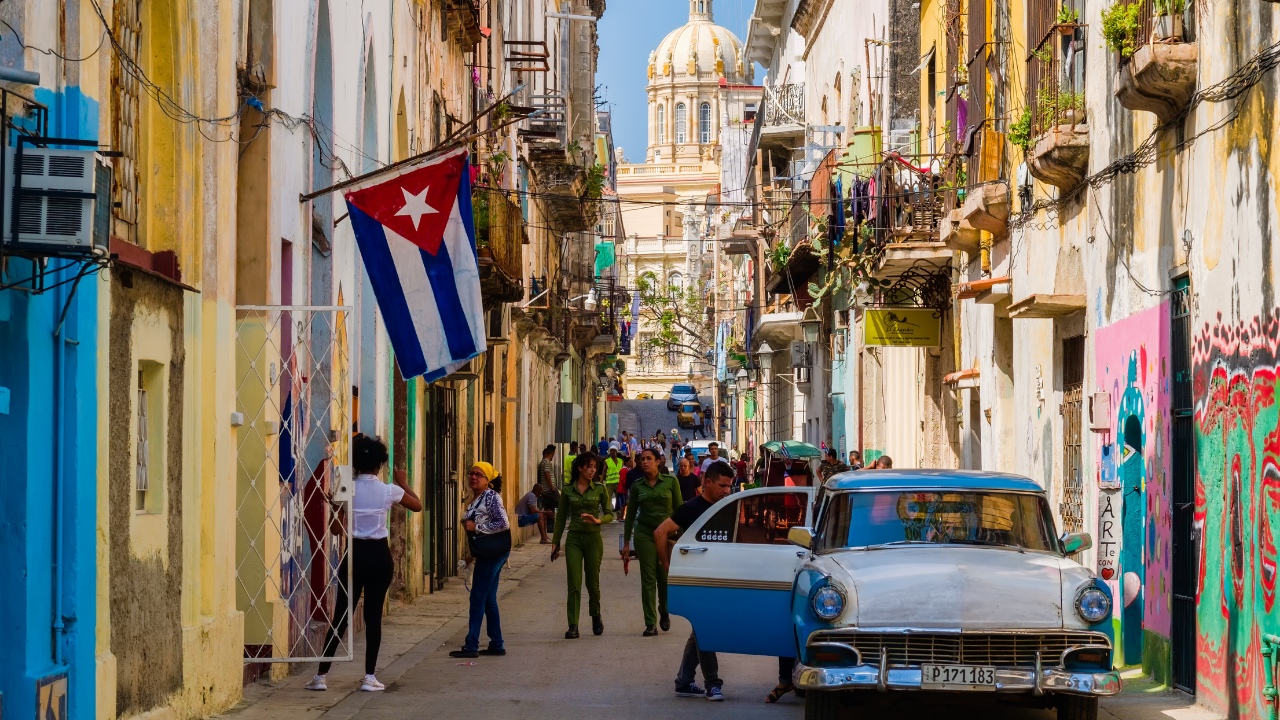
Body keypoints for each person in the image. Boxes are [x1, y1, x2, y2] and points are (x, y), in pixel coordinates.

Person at [308, 434, 423, 692]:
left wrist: (336, 507)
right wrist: (403, 483)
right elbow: (417, 505)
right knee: (373, 616)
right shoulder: (389, 490)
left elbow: (336, 530)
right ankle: (370, 676)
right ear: (380, 464)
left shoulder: (346, 488)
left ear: (356, 464)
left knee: (340, 616)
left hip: (355, 555)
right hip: (380, 556)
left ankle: (321, 676)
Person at [655, 461, 735, 701]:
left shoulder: (729, 507)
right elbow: (660, 532)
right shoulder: (691, 508)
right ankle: (713, 683)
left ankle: (684, 681)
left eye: (729, 486)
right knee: (706, 626)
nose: (726, 491)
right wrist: (667, 565)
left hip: (720, 578)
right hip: (698, 578)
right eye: (722, 486)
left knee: (700, 630)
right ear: (707, 483)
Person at [449, 462, 511, 658]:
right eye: (471, 473)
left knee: (477, 597)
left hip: (493, 554)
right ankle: (497, 643)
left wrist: (476, 527)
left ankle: (471, 645)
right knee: (489, 599)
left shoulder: (491, 496)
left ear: (487, 480)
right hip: (487, 553)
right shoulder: (477, 498)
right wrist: (472, 555)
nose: (473, 477)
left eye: (479, 475)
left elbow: (503, 523)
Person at [551, 453, 614, 638]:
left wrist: (598, 520)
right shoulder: (568, 491)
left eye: (595, 466)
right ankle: (573, 625)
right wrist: (555, 542)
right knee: (574, 583)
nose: (593, 470)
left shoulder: (600, 489)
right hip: (574, 540)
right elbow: (561, 518)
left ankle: (595, 615)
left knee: (592, 583)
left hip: (593, 540)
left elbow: (611, 514)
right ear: (580, 468)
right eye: (589, 466)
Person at [621, 447, 682, 636]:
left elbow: (680, 511)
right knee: (648, 578)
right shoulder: (637, 486)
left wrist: (682, 538)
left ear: (658, 462)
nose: (644, 462)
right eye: (642, 459)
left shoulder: (671, 482)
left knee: (663, 577)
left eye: (649, 458)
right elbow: (630, 514)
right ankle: (650, 623)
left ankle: (664, 610)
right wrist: (626, 543)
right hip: (645, 534)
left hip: (667, 535)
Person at [604, 447, 626, 512]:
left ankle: (618, 510)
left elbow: (623, 470)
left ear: (616, 452)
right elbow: (604, 471)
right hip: (610, 482)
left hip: (619, 482)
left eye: (613, 451)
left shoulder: (621, 461)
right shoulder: (607, 461)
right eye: (611, 451)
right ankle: (608, 510)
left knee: (618, 497)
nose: (612, 452)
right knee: (608, 497)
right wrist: (601, 480)